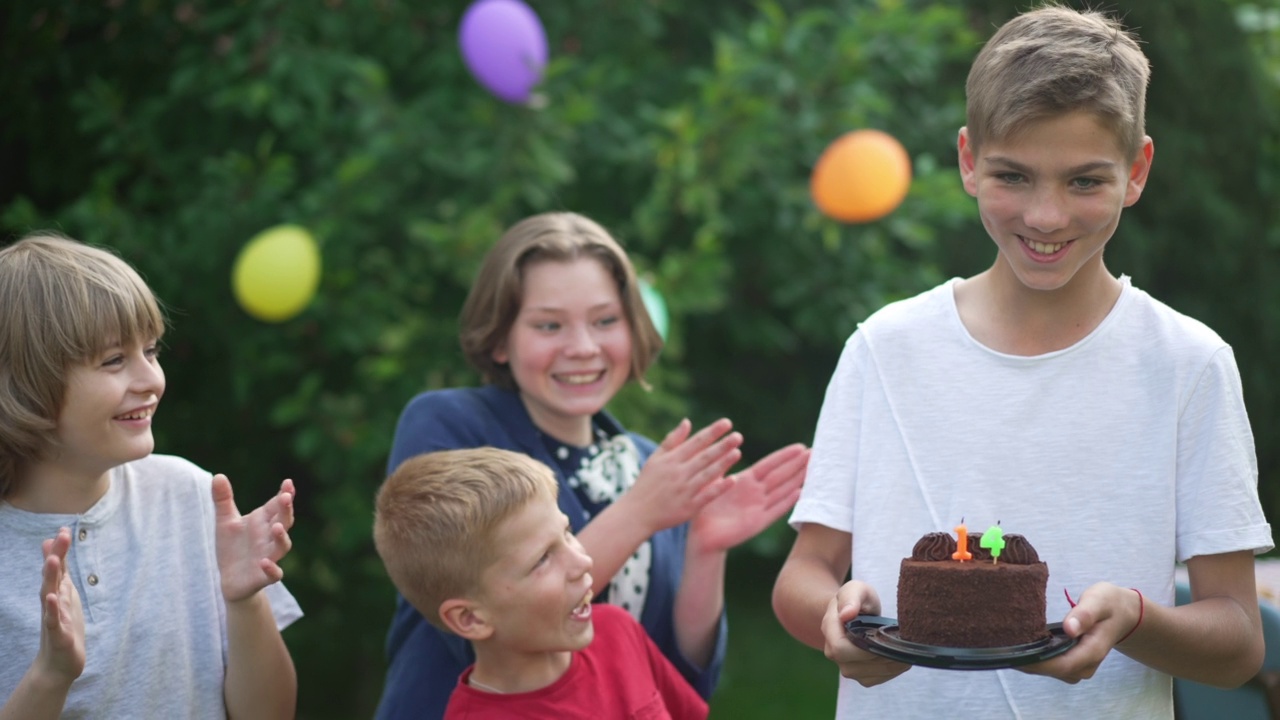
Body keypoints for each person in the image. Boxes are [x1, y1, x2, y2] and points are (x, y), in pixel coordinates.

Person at [771, 4, 1273, 718]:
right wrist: (836, 618)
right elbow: (805, 575)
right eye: (1014, 175)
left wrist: (1135, 618)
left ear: (1137, 171)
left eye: (1084, 182)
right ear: (969, 160)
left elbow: (1237, 640)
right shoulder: (885, 349)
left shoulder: (1187, 365)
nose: (1045, 216)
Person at [374, 211, 809, 719]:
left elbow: (680, 677)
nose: (583, 347)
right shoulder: (448, 423)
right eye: (549, 325)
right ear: (499, 339)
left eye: (605, 320)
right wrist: (640, 512)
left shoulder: (650, 464)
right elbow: (472, 639)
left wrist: (705, 547)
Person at [0, 232, 303, 719]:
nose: (151, 381)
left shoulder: (190, 494)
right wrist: (50, 676)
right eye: (114, 359)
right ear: (24, 386)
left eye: (152, 351)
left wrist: (245, 602)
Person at [374, 446, 710, 719]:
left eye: (566, 532)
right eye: (542, 559)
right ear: (471, 618)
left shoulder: (618, 631)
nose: (583, 561)